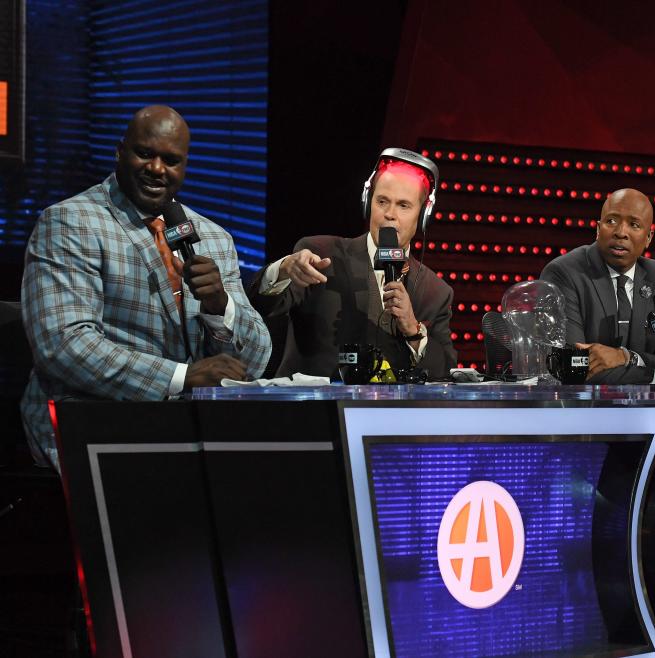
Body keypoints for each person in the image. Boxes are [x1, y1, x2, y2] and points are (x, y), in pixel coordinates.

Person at [20, 105, 271, 469]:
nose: (156, 169)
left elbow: (255, 362)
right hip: (91, 429)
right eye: (144, 153)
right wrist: (183, 377)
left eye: (171, 160)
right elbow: (63, 345)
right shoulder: (70, 222)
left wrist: (221, 307)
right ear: (119, 152)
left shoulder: (213, 239)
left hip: (189, 436)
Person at [248, 149, 456, 380]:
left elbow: (444, 371)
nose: (389, 214)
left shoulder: (436, 292)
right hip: (314, 411)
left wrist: (413, 329)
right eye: (382, 201)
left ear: (424, 215)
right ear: (368, 203)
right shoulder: (321, 254)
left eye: (403, 205)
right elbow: (260, 308)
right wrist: (283, 269)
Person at [540, 188, 655, 384]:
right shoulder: (564, 273)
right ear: (598, 229)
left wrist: (624, 357)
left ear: (649, 237)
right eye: (611, 221)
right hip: (582, 409)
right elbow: (573, 368)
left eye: (634, 224)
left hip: (652, 411)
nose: (621, 233)